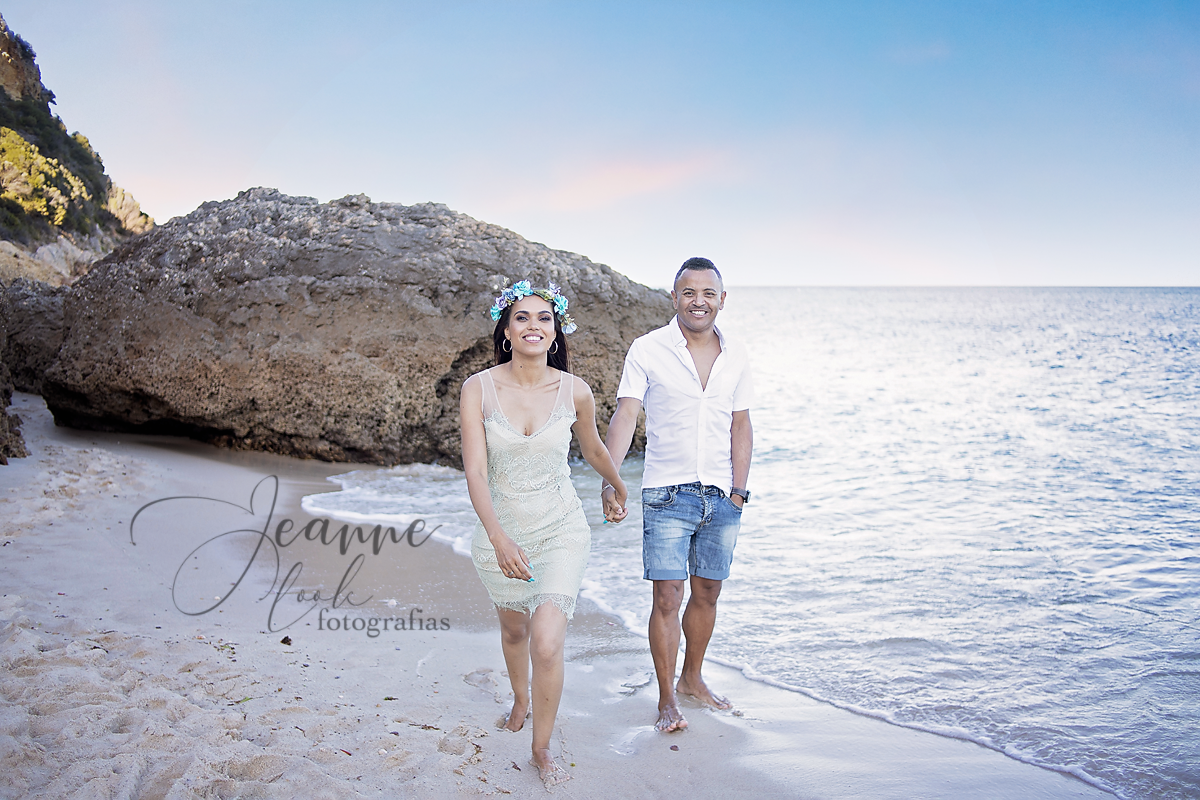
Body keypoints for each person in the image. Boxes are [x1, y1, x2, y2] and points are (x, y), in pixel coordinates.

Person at [460, 280, 628, 788]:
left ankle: (541, 746)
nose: (533, 326)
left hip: (561, 529)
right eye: (522, 317)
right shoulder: (478, 389)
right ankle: (521, 698)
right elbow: (475, 472)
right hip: (501, 532)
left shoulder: (575, 390)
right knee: (514, 630)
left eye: (544, 318)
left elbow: (594, 449)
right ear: (506, 332)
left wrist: (617, 485)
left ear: (555, 332)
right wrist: (498, 538)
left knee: (548, 643)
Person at [601, 257, 753, 733]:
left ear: (722, 300)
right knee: (667, 597)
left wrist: (740, 491)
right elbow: (626, 414)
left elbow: (741, 423)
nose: (698, 301)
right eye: (689, 292)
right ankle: (667, 698)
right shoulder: (648, 349)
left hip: (721, 495)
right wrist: (610, 478)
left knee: (708, 592)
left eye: (708, 293)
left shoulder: (737, 354)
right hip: (666, 493)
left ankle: (692, 678)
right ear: (674, 298)